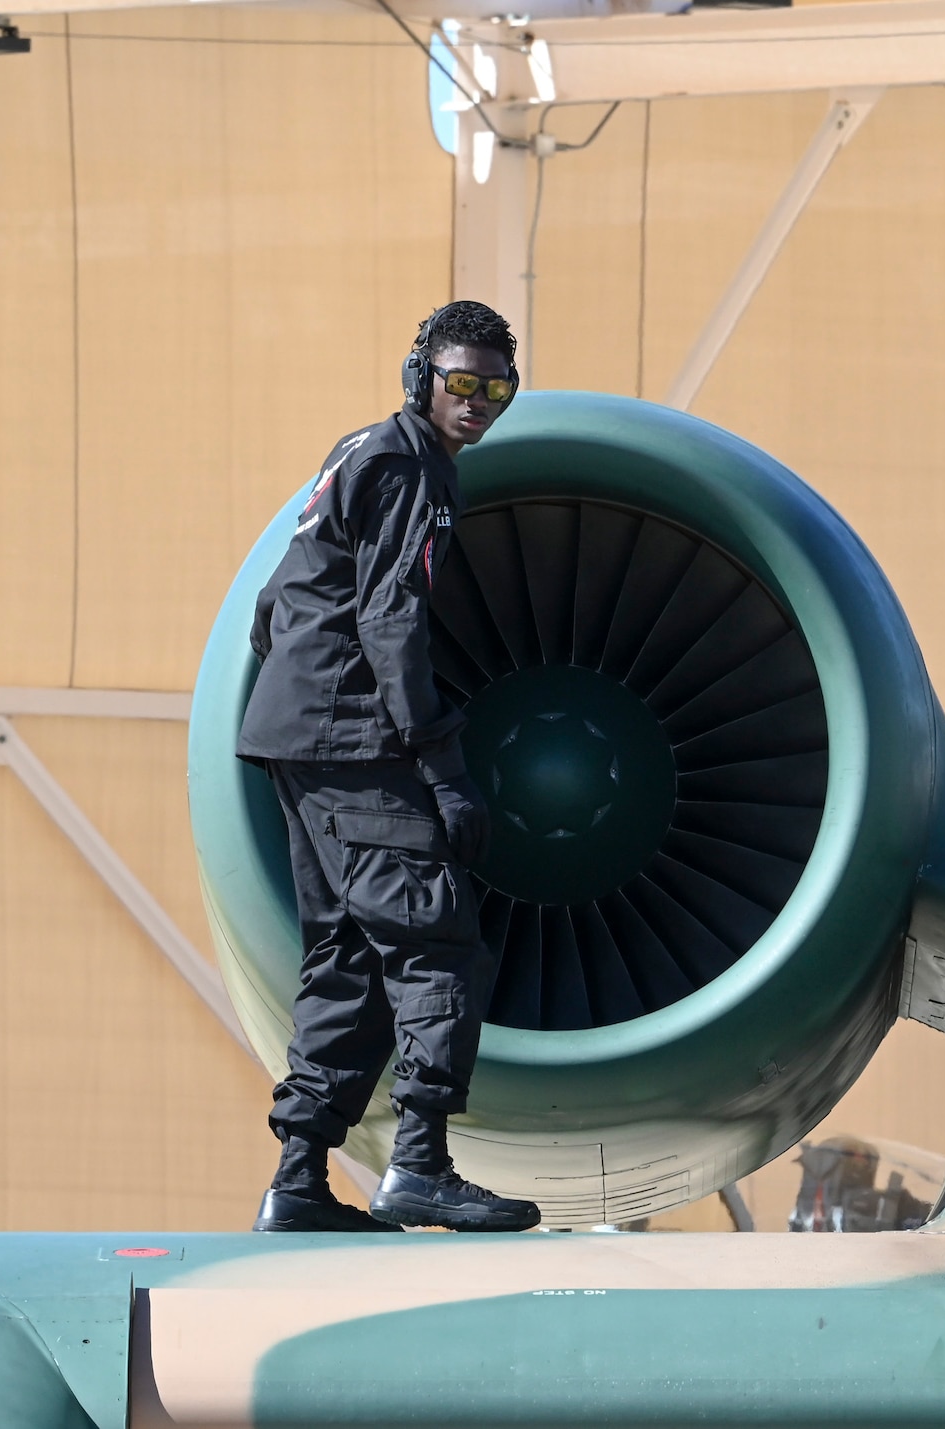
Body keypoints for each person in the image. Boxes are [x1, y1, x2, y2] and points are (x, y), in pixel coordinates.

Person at [238, 301, 541, 1233]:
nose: (478, 402)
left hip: (297, 736)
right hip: (352, 737)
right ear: (421, 377)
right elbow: (391, 618)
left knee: (348, 955)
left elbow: (273, 600)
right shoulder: (415, 468)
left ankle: (297, 1180)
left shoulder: (355, 450)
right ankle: (420, 1165)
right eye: (462, 382)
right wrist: (442, 765)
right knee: (434, 941)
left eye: (497, 387)